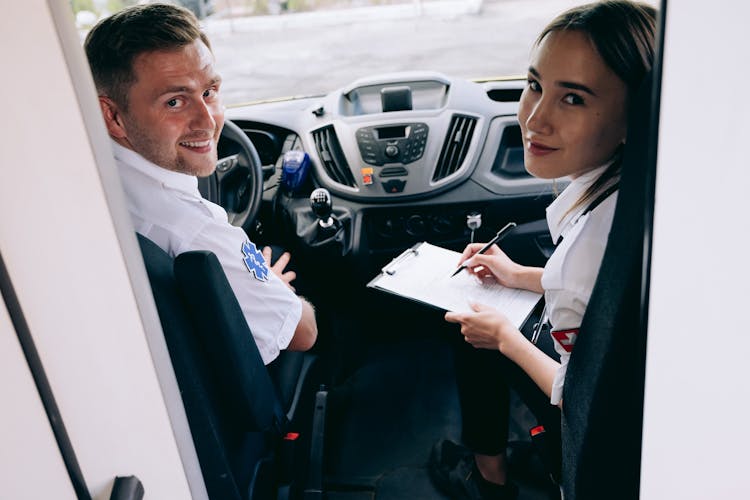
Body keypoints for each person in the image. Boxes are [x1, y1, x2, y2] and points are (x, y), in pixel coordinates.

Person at [428, 1, 656, 498]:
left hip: (592, 422)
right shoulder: (629, 194)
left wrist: (506, 337)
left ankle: (489, 479)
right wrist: (518, 274)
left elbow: (578, 396)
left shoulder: (590, 247)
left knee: (471, 329)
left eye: (572, 98)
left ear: (632, 117)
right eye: (534, 86)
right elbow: (593, 296)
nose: (534, 118)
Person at [84, 3, 317, 364]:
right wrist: (271, 286)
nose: (207, 121)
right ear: (113, 116)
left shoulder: (93, 181)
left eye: (209, 92)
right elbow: (304, 333)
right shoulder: (192, 230)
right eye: (175, 101)